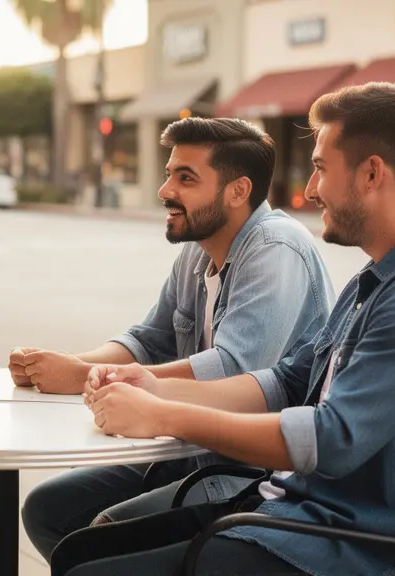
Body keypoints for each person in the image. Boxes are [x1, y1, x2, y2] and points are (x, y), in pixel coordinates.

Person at [66, 81, 395, 576]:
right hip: (291, 516)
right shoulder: (380, 277)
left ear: (372, 173)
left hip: (346, 550)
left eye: (319, 168)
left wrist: (167, 417)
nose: (310, 190)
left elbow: (332, 438)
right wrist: (156, 387)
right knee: (79, 552)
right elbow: (289, 381)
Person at [17, 117, 336, 560]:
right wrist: (67, 366)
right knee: (46, 509)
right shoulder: (198, 245)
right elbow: (149, 339)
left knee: (98, 540)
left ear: (238, 191)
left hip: (246, 470)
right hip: (185, 453)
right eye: (170, 174)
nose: (166, 190)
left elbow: (232, 373)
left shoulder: (275, 249)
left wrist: (92, 376)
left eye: (185, 178)